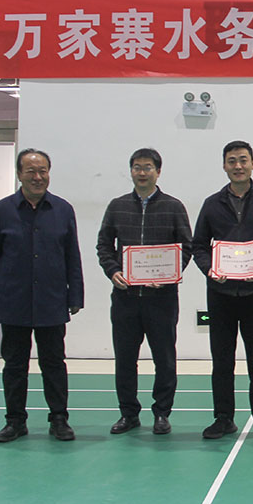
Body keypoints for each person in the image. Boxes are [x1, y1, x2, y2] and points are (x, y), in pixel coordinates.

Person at [0, 148, 83, 443]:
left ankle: (59, 419)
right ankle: (15, 421)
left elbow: (72, 257)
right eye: (31, 171)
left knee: (54, 363)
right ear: (19, 174)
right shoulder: (2, 211)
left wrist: (75, 296)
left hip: (52, 300)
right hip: (13, 301)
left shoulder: (63, 210)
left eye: (43, 171)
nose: (38, 177)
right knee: (14, 365)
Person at [191, 141, 253, 442]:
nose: (238, 166)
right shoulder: (211, 204)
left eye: (243, 160)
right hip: (220, 295)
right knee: (222, 360)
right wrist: (210, 269)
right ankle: (223, 418)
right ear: (224, 166)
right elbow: (199, 246)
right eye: (232, 161)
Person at [96, 147, 192, 436]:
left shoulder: (174, 207)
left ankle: (162, 413)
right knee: (125, 360)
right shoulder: (117, 206)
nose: (142, 172)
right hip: (125, 298)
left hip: (162, 299)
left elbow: (187, 247)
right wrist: (113, 270)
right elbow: (104, 245)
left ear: (158, 172)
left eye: (148, 167)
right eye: (137, 167)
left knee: (165, 360)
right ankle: (129, 414)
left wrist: (170, 274)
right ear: (131, 171)